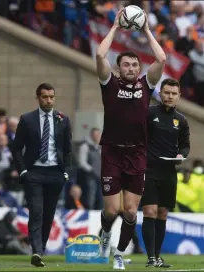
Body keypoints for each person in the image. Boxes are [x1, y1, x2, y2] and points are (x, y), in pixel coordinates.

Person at [96, 8, 166, 270]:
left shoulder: (146, 85)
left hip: (137, 153)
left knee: (130, 211)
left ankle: (119, 253)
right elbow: (100, 54)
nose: (131, 68)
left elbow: (161, 58)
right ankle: (104, 234)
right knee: (112, 210)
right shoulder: (109, 83)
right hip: (112, 152)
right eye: (126, 64)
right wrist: (115, 26)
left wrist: (146, 29)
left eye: (135, 64)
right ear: (119, 67)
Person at [12, 83, 72, 267]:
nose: (49, 100)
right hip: (34, 173)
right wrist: (23, 170)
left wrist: (66, 172)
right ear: (37, 97)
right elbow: (16, 149)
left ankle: (41, 250)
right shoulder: (27, 119)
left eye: (51, 97)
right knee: (36, 212)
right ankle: (36, 251)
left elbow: (68, 149)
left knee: (48, 215)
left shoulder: (63, 119)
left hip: (55, 173)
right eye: (45, 97)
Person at [141, 78, 190, 267]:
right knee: (150, 211)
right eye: (166, 93)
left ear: (178, 96)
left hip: (169, 171)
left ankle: (158, 256)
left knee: (162, 213)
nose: (169, 96)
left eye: (173, 94)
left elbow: (185, 145)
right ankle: (150, 257)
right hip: (148, 170)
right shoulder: (148, 113)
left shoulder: (182, 120)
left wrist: (181, 155)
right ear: (160, 93)